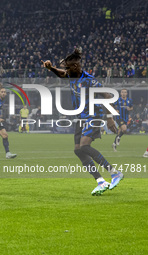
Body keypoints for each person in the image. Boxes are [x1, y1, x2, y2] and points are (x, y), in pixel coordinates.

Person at [42, 48, 123, 196]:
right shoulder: (71, 76)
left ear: (75, 67)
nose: (65, 70)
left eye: (67, 67)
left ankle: (114, 173)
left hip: (94, 115)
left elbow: (106, 96)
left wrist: (110, 118)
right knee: (78, 150)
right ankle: (100, 181)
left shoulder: (89, 80)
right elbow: (61, 74)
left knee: (85, 145)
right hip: (81, 117)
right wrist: (51, 68)